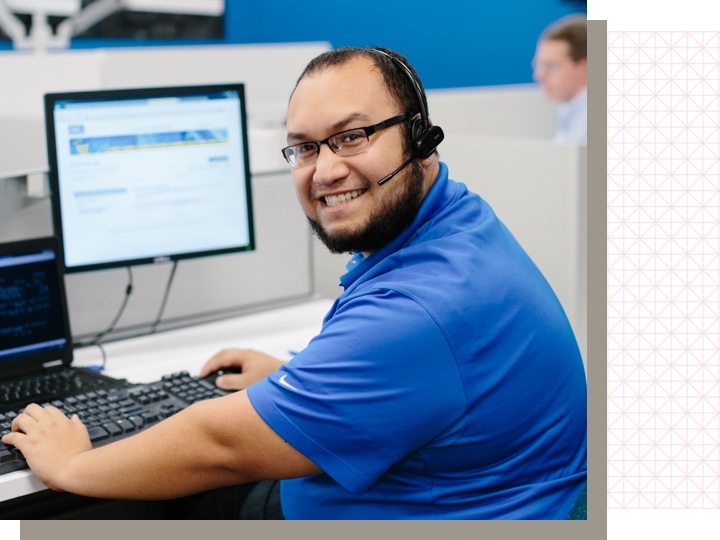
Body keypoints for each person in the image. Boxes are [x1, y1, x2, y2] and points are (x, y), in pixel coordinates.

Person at [2, 46, 587, 520]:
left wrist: (73, 465)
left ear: (418, 137)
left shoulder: (420, 309)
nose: (325, 169)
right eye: (304, 147)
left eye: (352, 136)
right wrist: (293, 381)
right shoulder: (456, 220)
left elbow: (221, 447)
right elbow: (411, 377)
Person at [533, 15, 588, 144]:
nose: (539, 76)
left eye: (551, 66)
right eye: (538, 65)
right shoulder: (571, 114)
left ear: (585, 68)